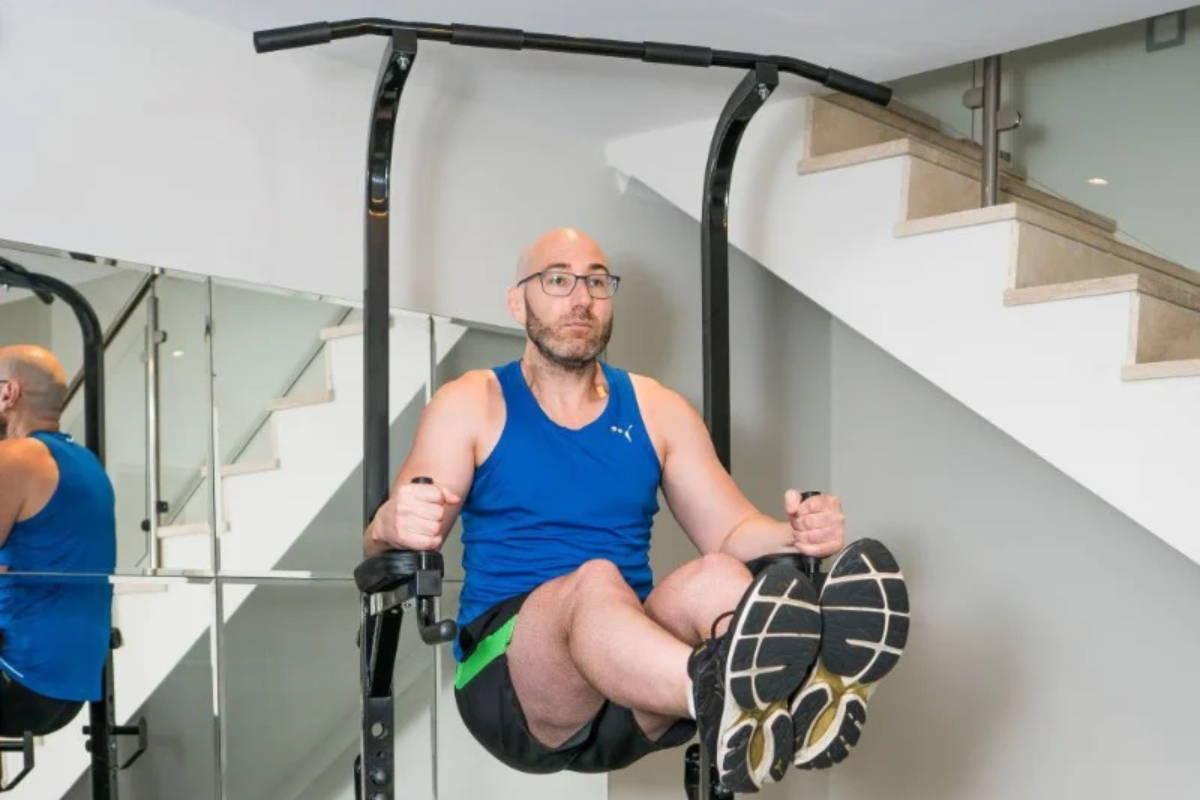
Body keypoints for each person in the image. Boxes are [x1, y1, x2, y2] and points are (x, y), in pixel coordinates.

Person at [364, 229, 908, 792]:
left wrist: (799, 536)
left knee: (720, 576)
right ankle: (731, 692)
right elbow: (384, 545)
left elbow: (733, 531)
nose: (581, 298)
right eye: (557, 280)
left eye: (597, 281)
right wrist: (390, 522)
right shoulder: (473, 402)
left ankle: (801, 691)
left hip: (632, 681)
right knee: (594, 580)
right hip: (513, 689)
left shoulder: (658, 408)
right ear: (516, 299)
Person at [0, 345, 116, 737]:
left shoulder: (14, 457)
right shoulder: (87, 464)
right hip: (69, 688)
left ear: (8, 393)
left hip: (16, 678)